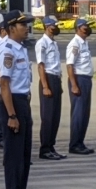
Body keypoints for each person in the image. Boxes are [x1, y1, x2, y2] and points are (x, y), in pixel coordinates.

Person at [0, 13, 40, 189]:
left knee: (24, 155)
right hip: (12, 103)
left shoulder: (21, 48)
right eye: (22, 24)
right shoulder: (8, 49)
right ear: (11, 28)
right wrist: (12, 116)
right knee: (14, 157)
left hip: (22, 101)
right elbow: (4, 84)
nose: (26, 27)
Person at [35, 17, 66, 161]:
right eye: (55, 25)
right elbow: (40, 65)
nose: (57, 28)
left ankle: (51, 146)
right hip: (47, 78)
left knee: (55, 116)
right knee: (47, 117)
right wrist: (45, 86)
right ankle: (45, 148)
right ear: (48, 26)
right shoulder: (42, 43)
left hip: (55, 79)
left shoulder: (53, 42)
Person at [65, 18, 96, 155]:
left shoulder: (84, 43)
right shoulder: (75, 44)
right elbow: (70, 65)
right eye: (85, 27)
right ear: (78, 28)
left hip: (86, 79)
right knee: (78, 114)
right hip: (79, 79)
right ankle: (74, 144)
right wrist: (74, 85)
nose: (88, 29)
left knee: (84, 113)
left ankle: (80, 142)